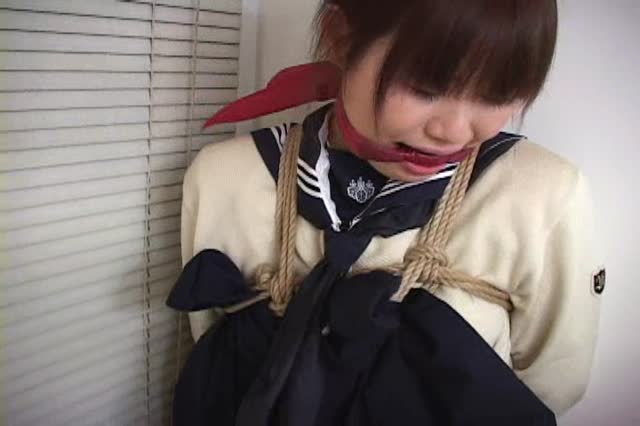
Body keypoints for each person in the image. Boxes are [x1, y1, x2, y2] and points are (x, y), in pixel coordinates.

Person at [166, 1, 604, 424]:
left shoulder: (542, 196)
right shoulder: (226, 180)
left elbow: (549, 384)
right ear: (339, 37)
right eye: (426, 87)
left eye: (496, 95)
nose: (452, 131)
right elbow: (213, 352)